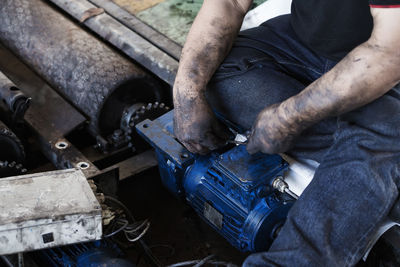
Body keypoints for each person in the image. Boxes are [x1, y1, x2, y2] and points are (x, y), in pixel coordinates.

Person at [173, 0, 400, 266]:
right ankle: (367, 154)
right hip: (302, 44)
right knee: (216, 73)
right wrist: (187, 92)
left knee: (380, 132)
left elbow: (388, 53)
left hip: (388, 62)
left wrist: (289, 116)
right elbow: (230, 2)